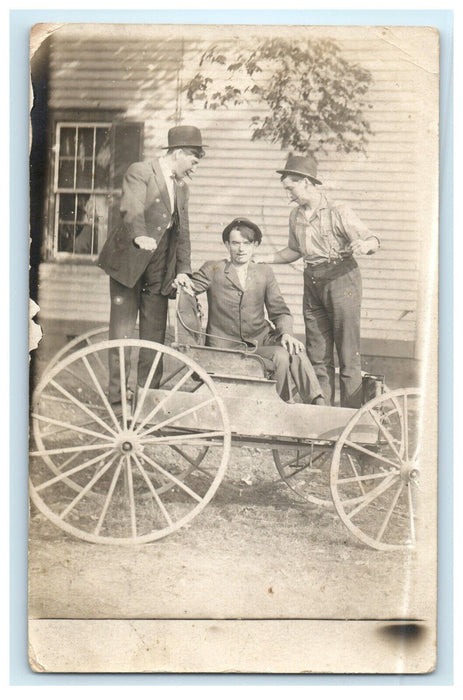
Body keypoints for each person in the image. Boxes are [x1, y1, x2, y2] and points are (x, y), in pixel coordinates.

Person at [254, 154, 380, 408]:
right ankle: (321, 417)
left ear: (307, 183)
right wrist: (261, 258)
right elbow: (293, 251)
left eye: (291, 188)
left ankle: (350, 421)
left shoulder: (338, 211)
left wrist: (364, 246)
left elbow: (373, 240)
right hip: (311, 282)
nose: (288, 195)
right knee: (317, 353)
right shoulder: (295, 216)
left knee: (347, 352)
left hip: (342, 280)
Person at [98, 125, 206, 405]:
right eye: (193, 160)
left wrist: (183, 270)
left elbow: (183, 232)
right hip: (129, 263)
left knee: (154, 336)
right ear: (180, 153)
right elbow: (132, 208)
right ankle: (117, 399)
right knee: (121, 333)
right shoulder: (140, 171)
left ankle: (147, 399)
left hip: (160, 268)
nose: (194, 168)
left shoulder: (183, 188)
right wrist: (140, 235)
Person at [188, 217, 325, 405]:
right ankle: (281, 406)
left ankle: (318, 403)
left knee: (294, 348)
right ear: (227, 244)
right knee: (280, 356)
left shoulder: (263, 272)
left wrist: (286, 334)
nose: (241, 249)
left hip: (260, 339)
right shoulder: (214, 269)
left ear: (255, 245)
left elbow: (280, 310)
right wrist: (182, 279)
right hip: (228, 346)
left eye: (247, 243)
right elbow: (190, 287)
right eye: (235, 243)